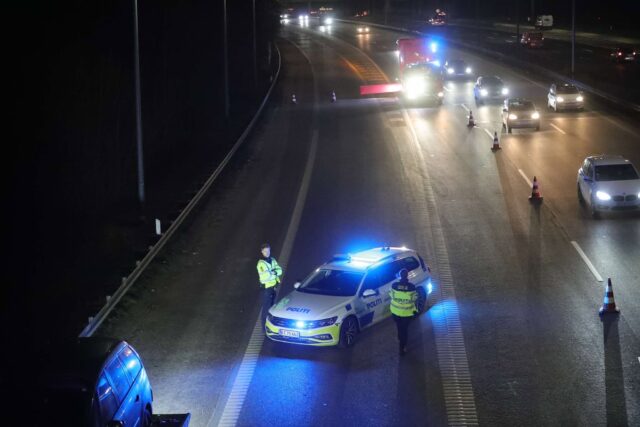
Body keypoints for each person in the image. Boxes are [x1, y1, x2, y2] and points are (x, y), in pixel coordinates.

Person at [389, 268, 418, 356]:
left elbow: (391, 295)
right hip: (406, 313)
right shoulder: (412, 287)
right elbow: (414, 298)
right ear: (407, 275)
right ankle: (402, 348)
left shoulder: (394, 285)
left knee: (399, 327)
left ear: (400, 275)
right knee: (404, 330)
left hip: (396, 312)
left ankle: (400, 338)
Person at [257, 243, 283, 323]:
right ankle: (264, 327)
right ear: (262, 252)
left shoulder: (272, 259)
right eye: (265, 251)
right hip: (267, 289)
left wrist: (273, 272)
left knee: (272, 307)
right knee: (265, 309)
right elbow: (265, 277)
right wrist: (275, 273)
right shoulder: (261, 264)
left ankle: (271, 323)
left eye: (268, 251)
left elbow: (280, 270)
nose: (267, 253)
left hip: (274, 286)